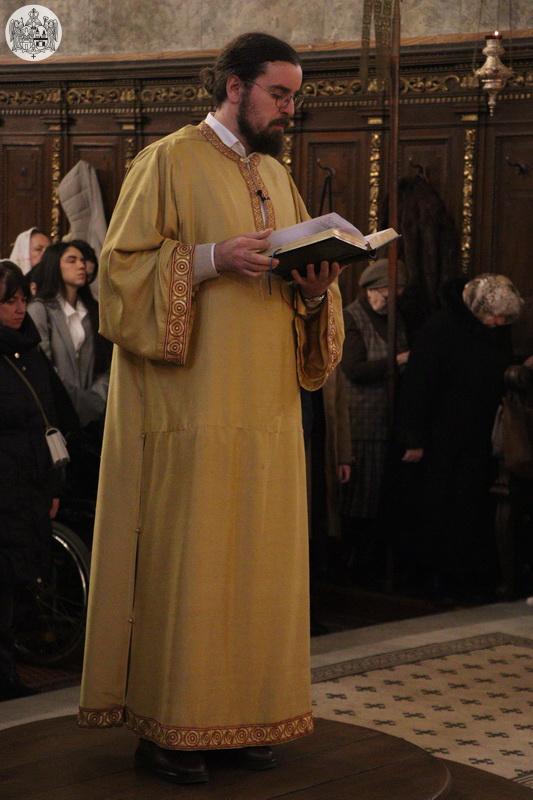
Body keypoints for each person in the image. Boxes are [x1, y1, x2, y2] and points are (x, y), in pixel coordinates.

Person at [78, 32, 344, 786]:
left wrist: (315, 291)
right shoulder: (166, 161)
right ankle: (169, 728)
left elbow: (296, 295)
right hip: (187, 414)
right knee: (188, 565)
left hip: (266, 415)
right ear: (234, 86)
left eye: (294, 97)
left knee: (259, 567)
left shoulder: (277, 174)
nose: (289, 109)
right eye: (279, 94)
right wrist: (209, 258)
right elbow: (117, 277)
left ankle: (248, 716)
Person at [397, 273, 523, 601]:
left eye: (504, 318)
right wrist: (413, 437)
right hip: (441, 435)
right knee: (440, 506)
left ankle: (467, 577)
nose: (499, 322)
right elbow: (418, 386)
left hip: (478, 434)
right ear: (479, 308)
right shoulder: (440, 328)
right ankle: (436, 577)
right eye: (495, 315)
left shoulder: (494, 330)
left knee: (470, 506)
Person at [0, 261, 77, 700]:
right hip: (4, 483)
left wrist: (53, 486)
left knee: (22, 577)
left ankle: (11, 665)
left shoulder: (30, 350)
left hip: (30, 483)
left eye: (20, 299)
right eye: (7, 302)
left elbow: (52, 415)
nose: (18, 309)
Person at [341, 259, 409, 584]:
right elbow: (354, 369)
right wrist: (395, 362)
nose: (391, 299)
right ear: (373, 289)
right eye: (388, 292)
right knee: (360, 497)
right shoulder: (352, 317)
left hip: (388, 418)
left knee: (380, 496)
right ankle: (350, 563)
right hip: (362, 420)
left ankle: (372, 561)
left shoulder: (395, 319)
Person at [27, 242, 111, 428]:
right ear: (54, 265)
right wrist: (73, 400)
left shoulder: (92, 311)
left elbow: (106, 363)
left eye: (82, 260)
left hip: (92, 411)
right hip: (56, 410)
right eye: (71, 260)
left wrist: (95, 398)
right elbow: (42, 367)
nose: (81, 265)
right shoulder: (40, 310)